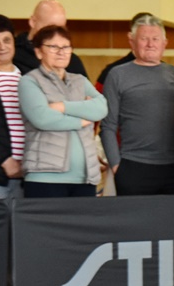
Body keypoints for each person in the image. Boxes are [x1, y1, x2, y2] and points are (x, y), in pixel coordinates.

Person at [100, 14, 174, 196]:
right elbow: (107, 126)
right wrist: (117, 166)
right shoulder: (117, 75)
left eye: (155, 39)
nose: (150, 44)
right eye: (144, 39)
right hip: (133, 166)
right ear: (132, 42)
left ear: (164, 43)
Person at [17, 25, 108, 197]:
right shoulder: (29, 81)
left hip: (85, 177)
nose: (61, 52)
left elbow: (101, 108)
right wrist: (81, 120)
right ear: (38, 52)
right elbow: (42, 118)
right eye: (53, 47)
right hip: (45, 177)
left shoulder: (80, 80)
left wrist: (62, 107)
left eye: (66, 47)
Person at [14, 0, 89, 78]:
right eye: (49, 29)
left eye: (60, 29)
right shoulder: (14, 54)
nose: (56, 35)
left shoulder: (72, 60)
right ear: (33, 22)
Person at [95, 11, 152, 92]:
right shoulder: (111, 72)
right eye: (144, 37)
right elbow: (96, 98)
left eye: (154, 38)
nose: (150, 44)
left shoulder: (168, 72)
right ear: (131, 37)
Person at [0, 15, 24, 198]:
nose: (2, 47)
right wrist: (3, 158)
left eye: (6, 40)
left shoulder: (29, 78)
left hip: (28, 173)